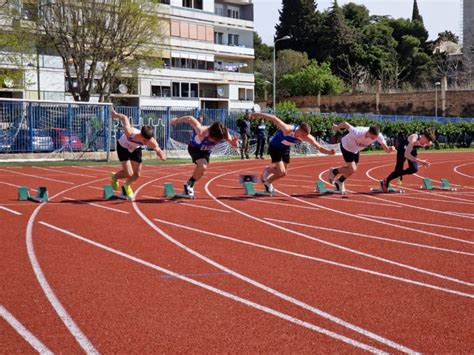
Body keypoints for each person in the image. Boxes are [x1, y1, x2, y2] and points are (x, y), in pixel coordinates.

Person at [249, 112, 336, 193]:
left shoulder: (307, 137)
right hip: (275, 147)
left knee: (283, 173)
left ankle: (268, 170)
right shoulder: (288, 129)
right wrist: (256, 114)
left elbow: (319, 147)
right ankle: (268, 182)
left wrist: (329, 152)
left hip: (285, 149)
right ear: (299, 130)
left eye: (305, 136)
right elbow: (273, 118)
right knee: (281, 172)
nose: (304, 138)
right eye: (303, 135)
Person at [171, 116, 239, 197]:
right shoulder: (202, 131)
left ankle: (189, 184)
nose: (215, 141)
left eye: (217, 140)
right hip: (194, 148)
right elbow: (190, 119)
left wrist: (235, 143)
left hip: (206, 152)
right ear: (210, 133)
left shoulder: (224, 134)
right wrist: (176, 120)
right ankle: (189, 185)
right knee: (202, 166)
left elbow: (235, 146)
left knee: (201, 172)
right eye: (214, 139)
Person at [111, 109, 166, 198]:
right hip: (123, 147)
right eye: (144, 140)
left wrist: (161, 155)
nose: (145, 143)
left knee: (137, 174)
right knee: (129, 173)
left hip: (135, 148)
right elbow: (124, 118)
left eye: (147, 141)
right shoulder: (130, 132)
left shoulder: (151, 141)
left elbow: (158, 149)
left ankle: (126, 186)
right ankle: (114, 177)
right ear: (141, 135)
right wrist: (116, 115)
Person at [328, 122, 396, 193]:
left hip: (356, 150)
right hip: (346, 146)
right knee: (352, 169)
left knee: (352, 170)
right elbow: (345, 124)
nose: (373, 139)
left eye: (375, 138)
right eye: (372, 137)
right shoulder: (358, 132)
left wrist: (390, 149)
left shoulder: (379, 136)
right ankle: (334, 171)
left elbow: (386, 149)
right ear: (368, 132)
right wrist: (336, 127)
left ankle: (339, 181)